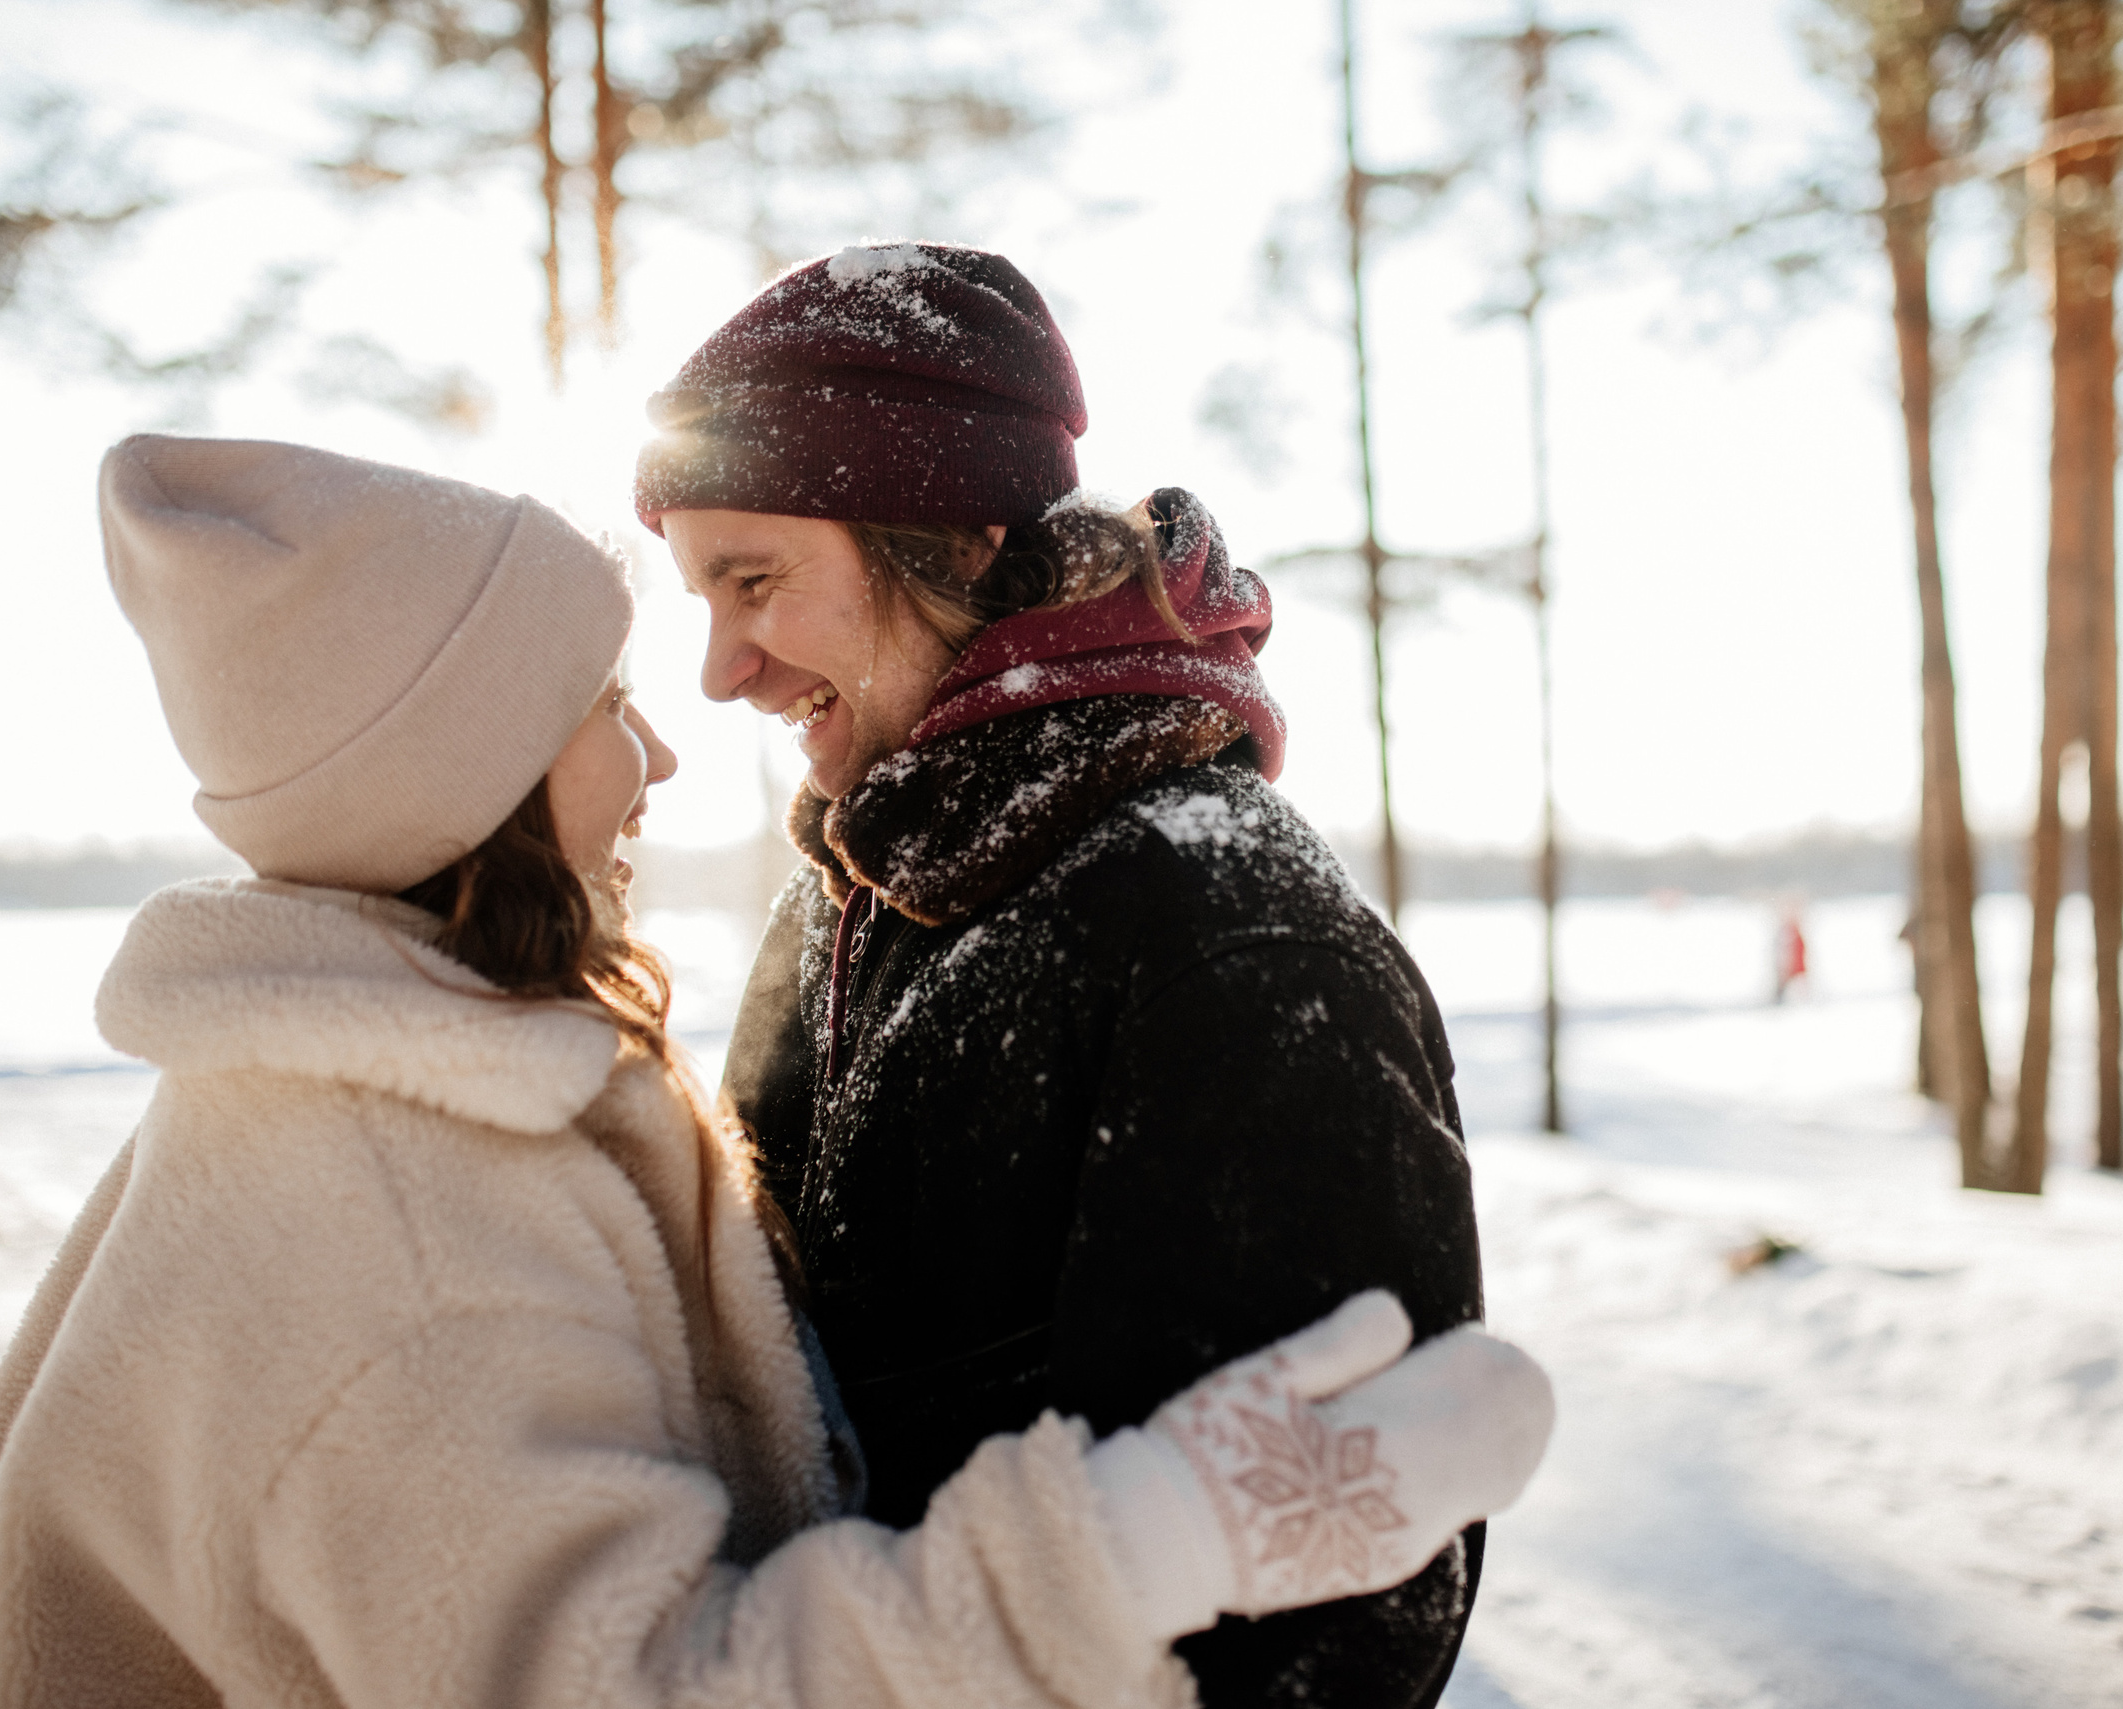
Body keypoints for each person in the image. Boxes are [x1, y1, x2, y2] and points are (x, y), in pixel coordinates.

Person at [0, 436, 1554, 1708]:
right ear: (462, 777)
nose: (672, 737)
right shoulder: (399, 1226)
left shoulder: (425, 1081)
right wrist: (1145, 1537)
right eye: (607, 700)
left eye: (748, 585)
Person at [636, 241, 1489, 1709]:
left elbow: (1343, 1598)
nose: (723, 670)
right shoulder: (851, 891)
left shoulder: (1219, 929)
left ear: (951, 539)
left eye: (754, 581)